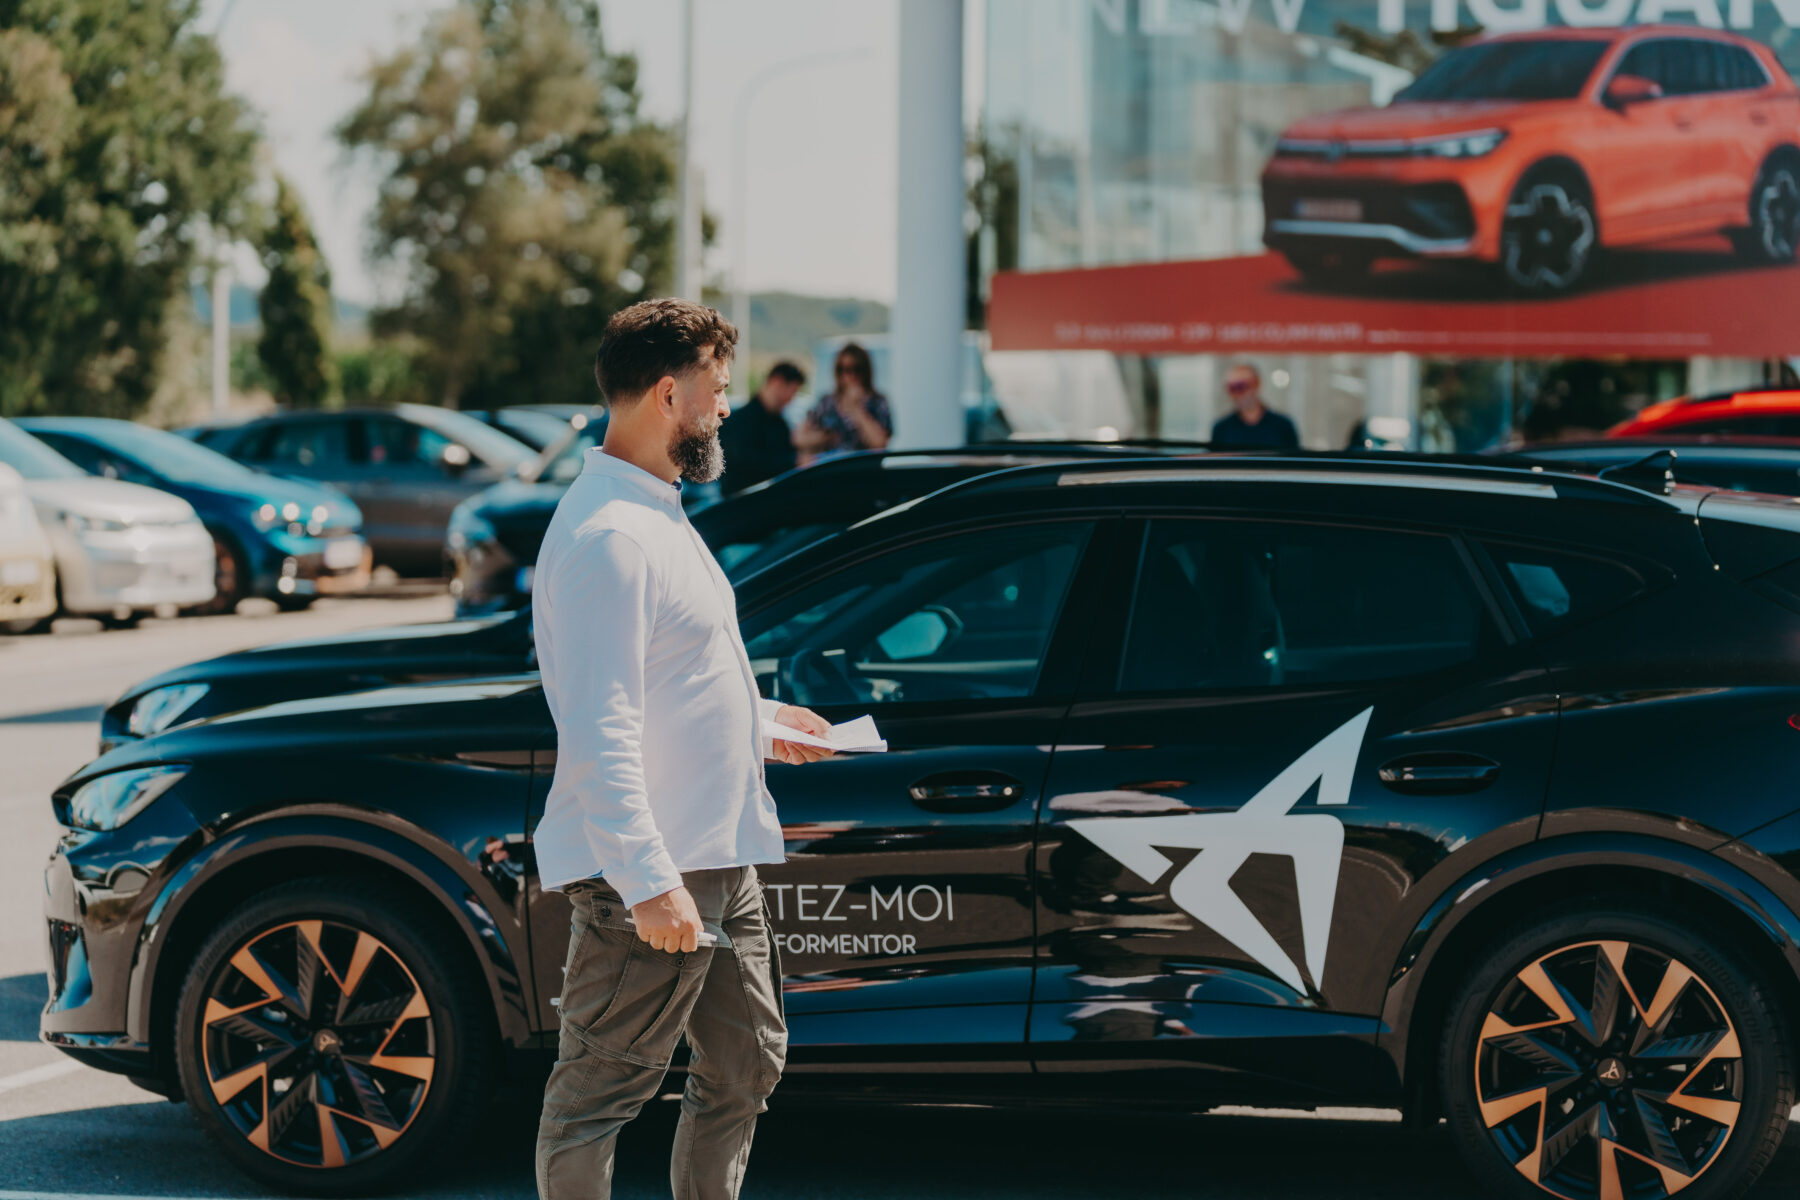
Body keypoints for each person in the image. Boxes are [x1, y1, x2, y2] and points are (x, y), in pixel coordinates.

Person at [533, 298, 834, 1200]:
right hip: (657, 868)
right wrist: (647, 881)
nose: (727, 406)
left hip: (719, 856)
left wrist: (763, 725)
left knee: (747, 1065)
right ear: (669, 393)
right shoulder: (611, 537)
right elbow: (601, 726)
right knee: (596, 1096)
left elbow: (672, 673)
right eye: (718, 388)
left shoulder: (653, 512)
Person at [795, 341, 891, 464]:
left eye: (857, 369)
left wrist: (857, 410)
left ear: (866, 371)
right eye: (844, 370)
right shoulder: (827, 402)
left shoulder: (878, 402)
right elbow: (799, 438)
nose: (850, 376)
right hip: (831, 468)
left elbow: (880, 444)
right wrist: (824, 438)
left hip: (865, 469)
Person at [717, 360, 805, 494]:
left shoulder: (780, 423)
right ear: (777, 382)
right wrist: (793, 462)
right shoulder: (739, 421)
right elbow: (745, 463)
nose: (791, 398)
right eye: (792, 391)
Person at [1210, 363, 1300, 449]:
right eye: (1231, 388)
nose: (1236, 393)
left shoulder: (1283, 426)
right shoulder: (1222, 429)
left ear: (1257, 384)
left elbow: (1294, 458)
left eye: (1241, 386)